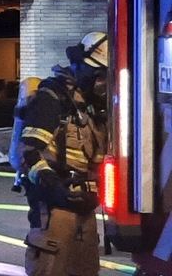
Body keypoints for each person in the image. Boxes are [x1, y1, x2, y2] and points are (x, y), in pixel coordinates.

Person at [15, 32, 108, 276]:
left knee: (85, 270)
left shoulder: (96, 107)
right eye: (98, 77)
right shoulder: (52, 99)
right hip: (55, 209)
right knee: (50, 269)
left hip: (85, 207)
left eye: (106, 78)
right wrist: (51, 183)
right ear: (81, 67)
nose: (102, 85)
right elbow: (28, 152)